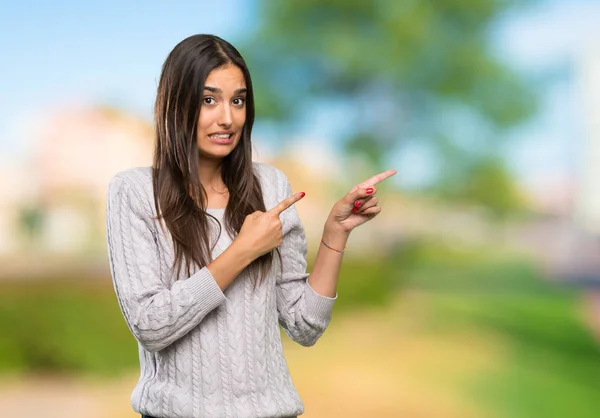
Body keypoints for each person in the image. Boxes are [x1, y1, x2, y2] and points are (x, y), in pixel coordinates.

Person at [106, 34, 396, 418]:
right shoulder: (134, 192)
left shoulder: (271, 186)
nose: (227, 117)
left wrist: (335, 233)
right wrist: (242, 250)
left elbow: (305, 326)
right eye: (208, 100)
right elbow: (152, 325)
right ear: (175, 106)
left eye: (238, 100)